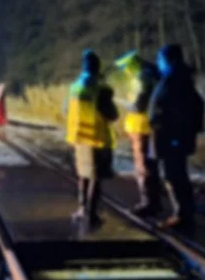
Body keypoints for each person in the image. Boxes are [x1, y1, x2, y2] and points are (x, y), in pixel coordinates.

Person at [149, 43, 205, 234]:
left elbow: (174, 107)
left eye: (160, 59)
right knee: (176, 173)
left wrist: (174, 133)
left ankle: (182, 215)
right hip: (175, 135)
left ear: (169, 59)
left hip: (173, 136)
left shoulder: (175, 79)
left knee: (175, 174)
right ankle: (183, 212)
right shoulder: (178, 77)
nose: (158, 63)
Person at [65, 50, 119, 232]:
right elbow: (112, 115)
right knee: (95, 178)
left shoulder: (75, 87)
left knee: (83, 175)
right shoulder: (100, 89)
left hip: (79, 138)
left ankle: (81, 208)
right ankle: (91, 213)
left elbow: (67, 110)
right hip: (97, 139)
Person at [114, 51, 162, 217]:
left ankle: (148, 203)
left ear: (131, 66)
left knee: (143, 166)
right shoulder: (152, 76)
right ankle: (154, 200)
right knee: (151, 164)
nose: (124, 71)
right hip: (148, 127)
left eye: (125, 68)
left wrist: (118, 101)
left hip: (141, 127)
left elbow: (138, 106)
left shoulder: (142, 79)